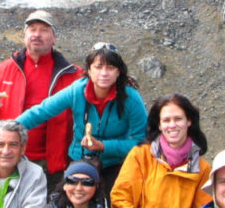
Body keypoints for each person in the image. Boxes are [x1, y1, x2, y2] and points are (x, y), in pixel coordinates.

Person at [16, 42, 147, 191]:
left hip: (116, 164)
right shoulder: (77, 90)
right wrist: (8, 131)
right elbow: (41, 111)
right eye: (98, 67)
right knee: (69, 202)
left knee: (114, 206)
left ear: (118, 72)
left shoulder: (131, 98)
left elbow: (141, 142)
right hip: (79, 160)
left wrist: (104, 146)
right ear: (89, 70)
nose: (104, 73)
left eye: (110, 68)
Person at [0, 10, 81, 187]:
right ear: (24, 36)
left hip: (52, 165)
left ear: (53, 37)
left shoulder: (72, 75)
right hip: (10, 160)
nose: (37, 34)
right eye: (32, 29)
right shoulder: (6, 69)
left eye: (44, 30)